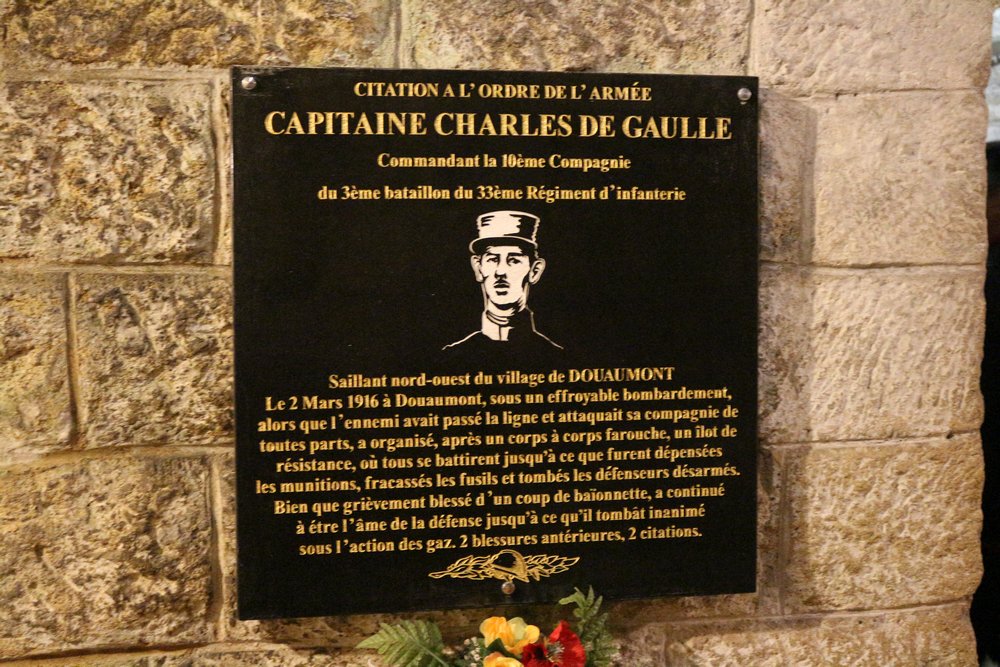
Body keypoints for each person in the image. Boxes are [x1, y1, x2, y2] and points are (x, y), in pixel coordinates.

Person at [443, 210, 562, 353]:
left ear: (535, 271)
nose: (500, 272)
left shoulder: (556, 356)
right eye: (492, 259)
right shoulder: (452, 355)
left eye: (514, 260)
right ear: (478, 268)